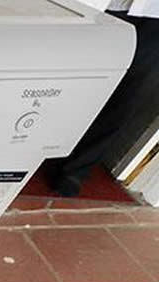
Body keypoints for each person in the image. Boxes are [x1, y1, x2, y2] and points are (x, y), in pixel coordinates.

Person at [51, 0, 159, 197]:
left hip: (153, 14)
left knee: (128, 96)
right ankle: (40, 149)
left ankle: (77, 169)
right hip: (100, 7)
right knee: (73, 78)